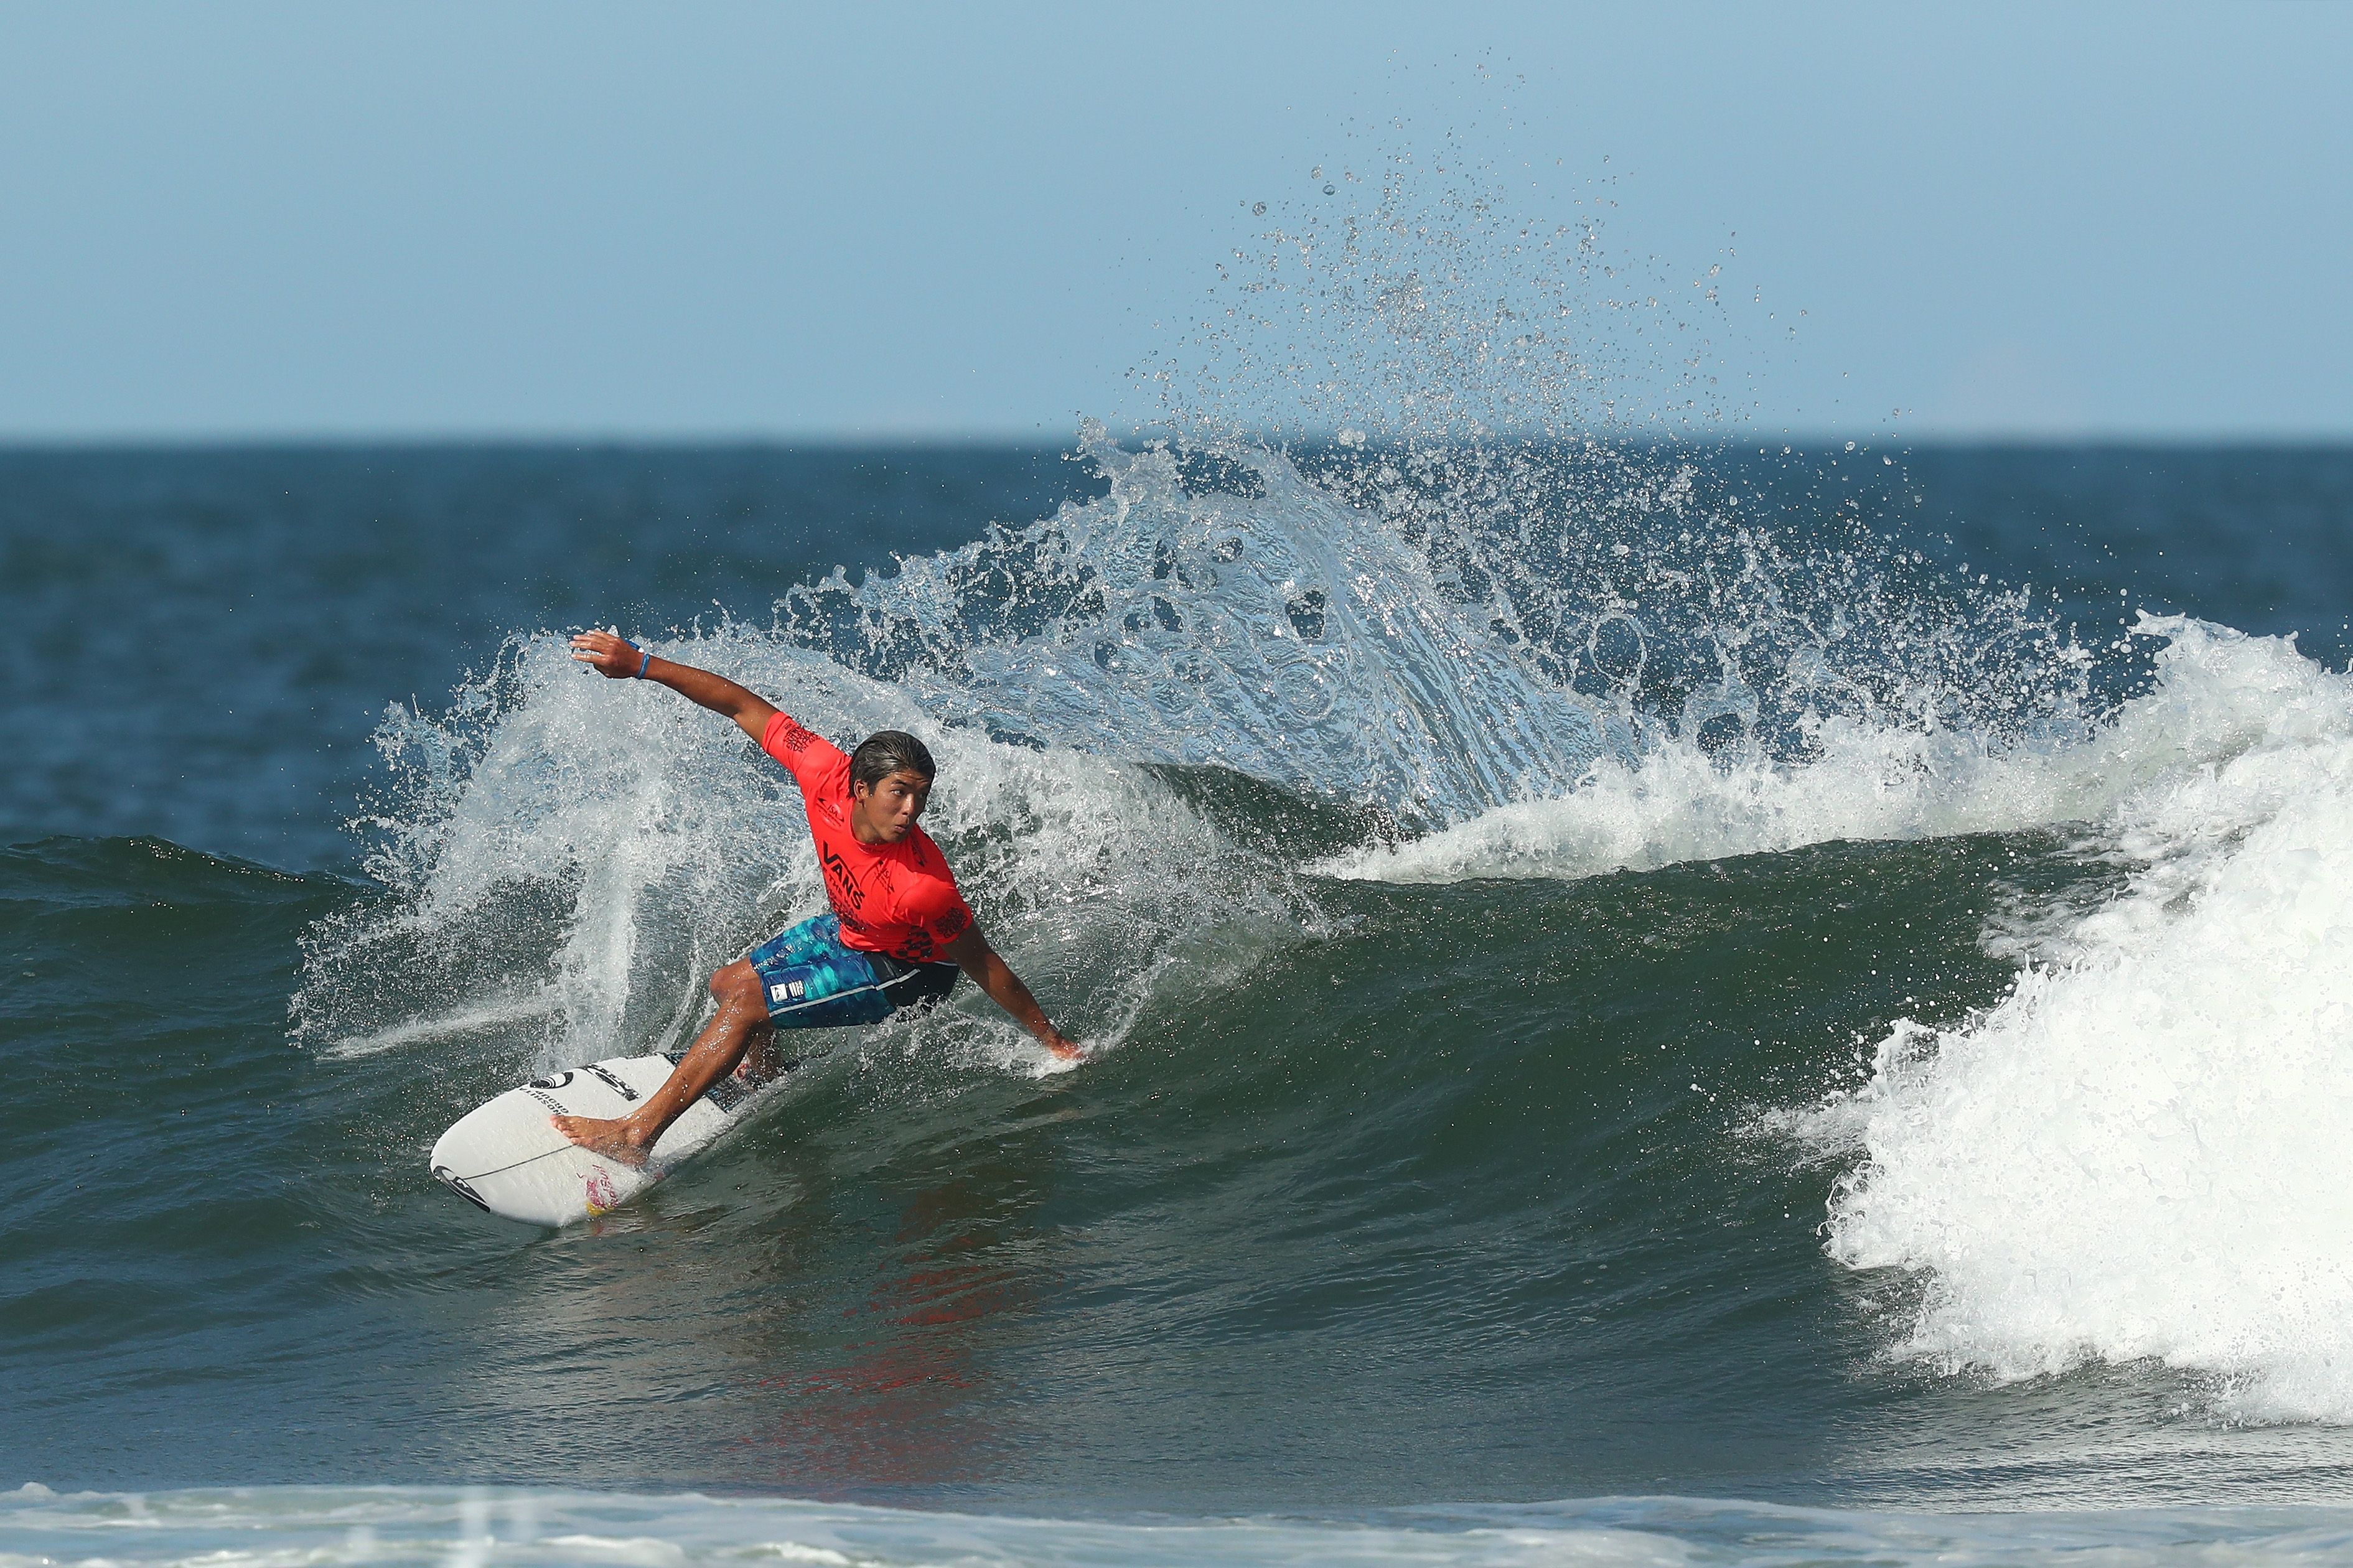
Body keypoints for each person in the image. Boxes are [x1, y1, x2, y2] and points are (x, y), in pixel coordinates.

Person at [551, 628, 1082, 1166]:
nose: (911, 811)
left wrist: (1053, 1041)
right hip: (855, 930)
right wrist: (641, 664)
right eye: (899, 792)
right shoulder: (822, 772)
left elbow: (983, 963)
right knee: (728, 984)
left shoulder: (921, 886)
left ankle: (636, 1134)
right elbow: (738, 705)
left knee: (747, 1004)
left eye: (920, 795)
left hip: (906, 970)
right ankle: (763, 1074)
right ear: (860, 789)